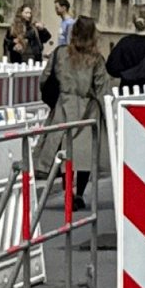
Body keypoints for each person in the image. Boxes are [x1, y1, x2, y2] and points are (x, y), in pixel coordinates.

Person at [38, 16, 113, 200]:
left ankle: (68, 191)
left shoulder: (60, 54)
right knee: (85, 154)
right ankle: (79, 192)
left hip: (65, 105)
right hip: (88, 107)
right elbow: (103, 88)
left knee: (65, 151)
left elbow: (44, 79)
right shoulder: (95, 59)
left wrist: (52, 100)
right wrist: (109, 114)